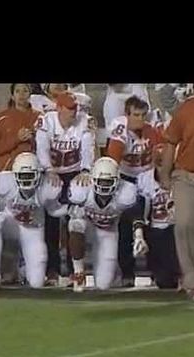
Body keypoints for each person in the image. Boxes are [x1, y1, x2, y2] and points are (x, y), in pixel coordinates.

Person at [160, 84, 194, 304]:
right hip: (186, 176)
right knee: (185, 224)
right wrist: (165, 175)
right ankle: (192, 283)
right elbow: (171, 142)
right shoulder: (189, 108)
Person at [36, 92, 95, 288]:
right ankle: (51, 269)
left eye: (75, 108)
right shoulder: (46, 121)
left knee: (75, 219)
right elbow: (41, 147)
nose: (74, 112)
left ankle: (74, 270)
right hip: (52, 172)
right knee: (51, 219)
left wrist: (86, 169)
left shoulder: (84, 121)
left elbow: (88, 147)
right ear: (59, 108)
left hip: (74, 172)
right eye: (70, 108)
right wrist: (49, 169)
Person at [0, 153, 65, 290]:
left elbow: (53, 211)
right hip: (11, 224)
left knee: (36, 282)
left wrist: (71, 210)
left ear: (38, 174)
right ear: (14, 175)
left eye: (30, 175)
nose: (26, 180)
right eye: (23, 175)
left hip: (33, 230)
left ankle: (22, 270)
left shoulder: (48, 187)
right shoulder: (5, 182)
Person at [106, 95, 164, 287]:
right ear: (127, 115)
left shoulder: (150, 129)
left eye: (142, 115)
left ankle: (157, 270)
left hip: (147, 177)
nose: (140, 119)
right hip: (125, 177)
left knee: (155, 224)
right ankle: (127, 271)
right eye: (136, 115)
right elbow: (114, 157)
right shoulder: (120, 128)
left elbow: (160, 154)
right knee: (125, 225)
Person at [63, 157, 139, 291]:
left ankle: (113, 272)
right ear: (92, 180)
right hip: (88, 227)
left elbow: (134, 215)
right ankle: (78, 272)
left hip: (108, 232)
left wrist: (138, 235)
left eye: (108, 182)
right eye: (101, 181)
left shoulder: (126, 193)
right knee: (75, 223)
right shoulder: (81, 189)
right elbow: (68, 212)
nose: (104, 186)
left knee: (103, 284)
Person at [132, 146, 181, 289]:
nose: (162, 167)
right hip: (155, 232)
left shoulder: (181, 177)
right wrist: (139, 234)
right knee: (164, 281)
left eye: (165, 162)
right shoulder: (144, 179)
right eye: (159, 162)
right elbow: (139, 209)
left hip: (176, 230)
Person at [0, 84, 41, 173]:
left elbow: (47, 147)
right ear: (12, 96)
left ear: (30, 95)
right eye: (17, 91)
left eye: (25, 91)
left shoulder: (40, 117)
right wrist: (16, 139)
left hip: (34, 170)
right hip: (6, 171)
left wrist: (33, 139)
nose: (21, 94)